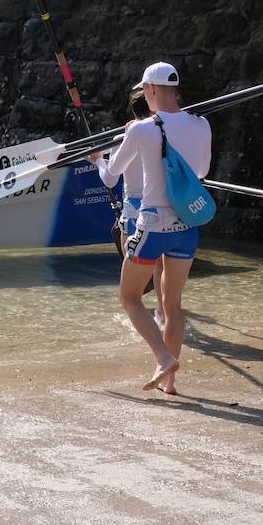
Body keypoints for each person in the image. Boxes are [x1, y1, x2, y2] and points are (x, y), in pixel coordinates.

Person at [90, 62, 211, 395]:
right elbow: (200, 170)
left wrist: (98, 158)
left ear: (152, 90)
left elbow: (110, 176)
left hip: (151, 227)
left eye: (144, 90)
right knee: (172, 305)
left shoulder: (140, 130)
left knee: (129, 297)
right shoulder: (202, 124)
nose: (144, 95)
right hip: (187, 226)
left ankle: (163, 357)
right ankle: (169, 382)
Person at [96, 85, 164, 325]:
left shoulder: (123, 138)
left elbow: (109, 178)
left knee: (132, 269)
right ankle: (163, 315)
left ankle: (136, 319)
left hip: (134, 210)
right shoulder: (163, 132)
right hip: (161, 206)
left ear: (133, 111)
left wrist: (98, 161)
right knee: (158, 265)